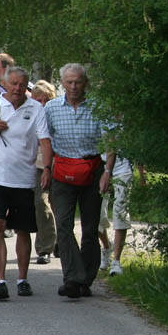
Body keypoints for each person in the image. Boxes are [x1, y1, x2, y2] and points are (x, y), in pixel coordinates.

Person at [0, 67, 51, 301]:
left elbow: (44, 141)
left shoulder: (35, 108)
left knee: (23, 228)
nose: (17, 88)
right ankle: (0, 280)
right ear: (5, 84)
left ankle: (23, 279)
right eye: (13, 84)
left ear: (27, 86)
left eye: (21, 84)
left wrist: (47, 169)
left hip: (24, 178)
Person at [40, 63, 107, 299]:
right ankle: (72, 278)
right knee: (64, 225)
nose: (74, 86)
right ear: (62, 83)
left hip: (92, 169)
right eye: (69, 82)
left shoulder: (99, 107)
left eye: (78, 81)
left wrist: (107, 171)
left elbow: (110, 140)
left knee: (90, 228)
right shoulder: (51, 108)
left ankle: (86, 278)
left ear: (85, 83)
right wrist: (46, 168)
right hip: (64, 171)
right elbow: (44, 139)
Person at [29, 80, 59, 264]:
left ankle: (60, 242)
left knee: (60, 206)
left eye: (45, 100)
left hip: (61, 163)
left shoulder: (57, 113)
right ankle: (45, 248)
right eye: (37, 100)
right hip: (38, 165)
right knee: (41, 203)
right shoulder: (29, 113)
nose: (42, 104)